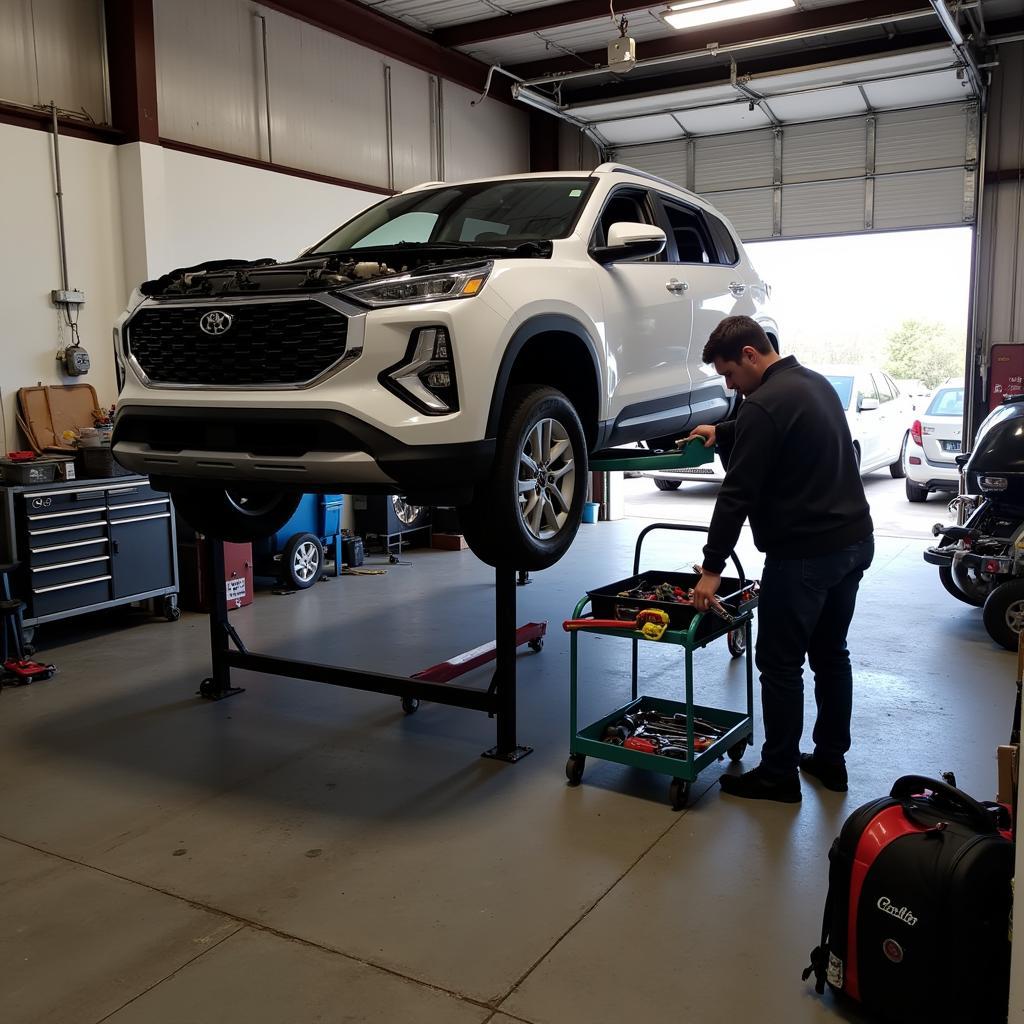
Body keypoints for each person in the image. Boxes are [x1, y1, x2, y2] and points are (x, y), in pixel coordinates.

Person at [689, 316, 874, 804]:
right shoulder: (813, 384)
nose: (729, 385)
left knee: (779, 663)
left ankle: (778, 774)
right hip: (854, 541)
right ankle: (831, 763)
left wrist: (712, 569)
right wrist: (725, 430)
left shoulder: (762, 406)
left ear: (751, 355)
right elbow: (784, 428)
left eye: (729, 373)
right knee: (831, 653)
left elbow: (736, 496)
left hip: (805, 554)